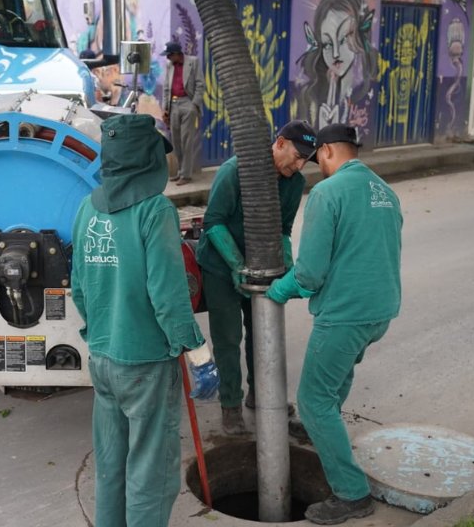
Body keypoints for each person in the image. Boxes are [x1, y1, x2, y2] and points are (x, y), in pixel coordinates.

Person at [70, 112, 219, 527]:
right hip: (145, 364)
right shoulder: (155, 211)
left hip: (102, 360)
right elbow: (170, 298)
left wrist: (101, 332)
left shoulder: (87, 209)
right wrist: (198, 354)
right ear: (146, 158)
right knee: (150, 474)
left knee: (112, 466)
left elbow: (79, 287)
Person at [267, 123, 402, 524]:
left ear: (326, 152)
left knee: (313, 400)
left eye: (314, 158)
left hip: (345, 314)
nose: (312, 165)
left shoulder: (327, 193)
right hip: (380, 310)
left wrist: (276, 291)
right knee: (334, 382)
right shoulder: (384, 191)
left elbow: (309, 274)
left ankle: (351, 494)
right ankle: (320, 431)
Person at [197, 120, 317, 435]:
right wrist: (236, 265)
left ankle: (260, 396)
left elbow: (283, 231)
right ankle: (231, 405)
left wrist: (288, 269)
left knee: (262, 335)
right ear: (279, 143)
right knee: (228, 337)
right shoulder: (235, 171)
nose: (300, 163)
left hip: (263, 268)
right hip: (221, 268)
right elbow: (214, 221)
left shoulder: (294, 182)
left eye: (306, 159)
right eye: (297, 155)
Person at [298, 0, 378, 128]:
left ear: (360, 37)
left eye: (342, 40)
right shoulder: (309, 96)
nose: (335, 53)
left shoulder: (366, 93)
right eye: (327, 44)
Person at [160, 41, 205, 186]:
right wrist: (165, 109)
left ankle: (186, 174)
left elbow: (200, 84)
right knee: (176, 141)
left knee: (187, 139)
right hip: (173, 104)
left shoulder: (193, 62)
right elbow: (167, 87)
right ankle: (180, 171)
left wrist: (194, 104)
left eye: (169, 55)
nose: (167, 58)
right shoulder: (169, 66)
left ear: (176, 54)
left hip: (188, 102)